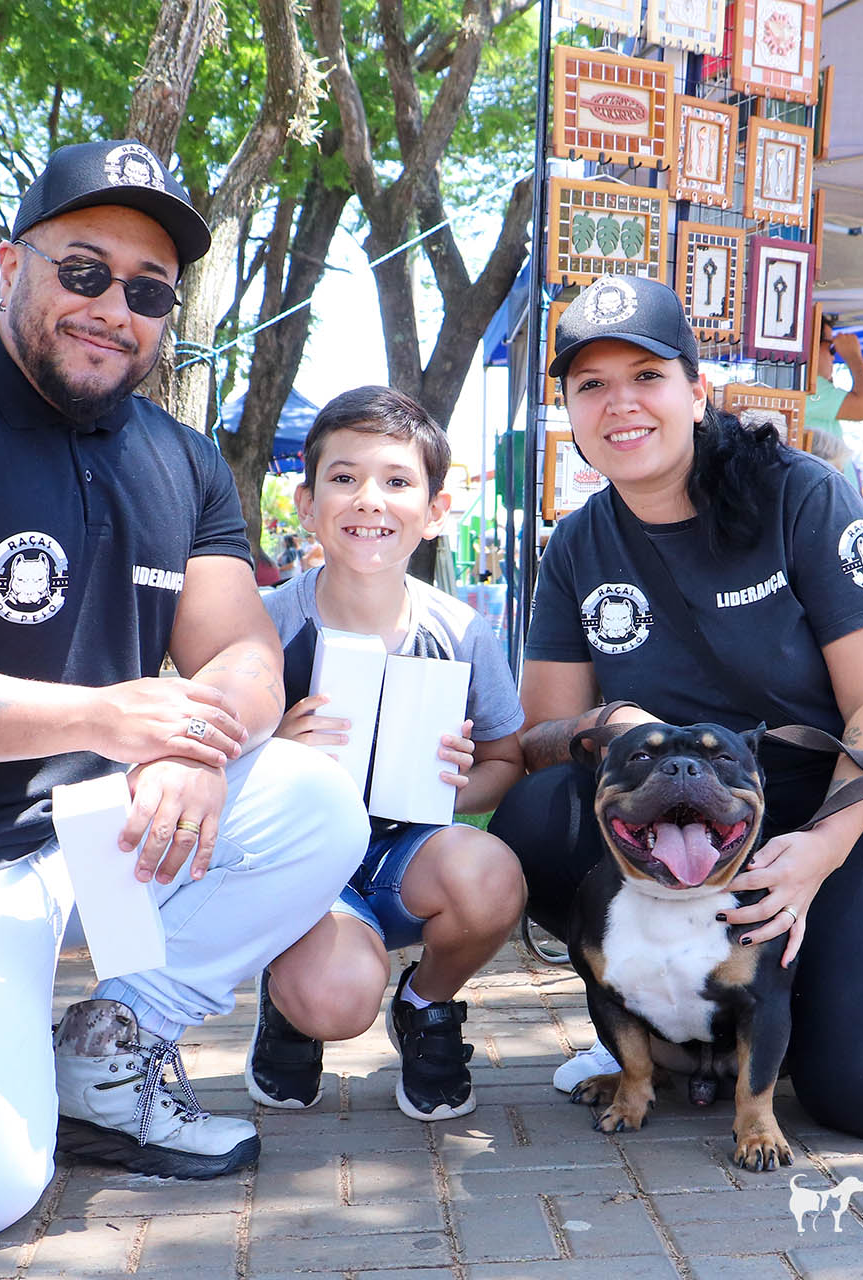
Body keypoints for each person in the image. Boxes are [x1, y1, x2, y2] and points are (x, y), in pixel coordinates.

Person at [0, 139, 366, 1242]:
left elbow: (244, 652)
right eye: (84, 271)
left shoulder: (182, 458)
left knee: (315, 804)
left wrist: (191, 745)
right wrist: (106, 716)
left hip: (88, 830)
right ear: (10, 266)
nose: (113, 308)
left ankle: (104, 1063)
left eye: (147, 290)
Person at [488, 274, 863, 1143]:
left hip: (844, 809)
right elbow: (539, 739)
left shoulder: (801, 494)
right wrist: (607, 725)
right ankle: (647, 1002)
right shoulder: (579, 542)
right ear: (570, 411)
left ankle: (842, 981)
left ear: (696, 389)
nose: (620, 404)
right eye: (591, 385)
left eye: (647, 376)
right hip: (677, 813)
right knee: (534, 816)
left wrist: (819, 853)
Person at [245, 387, 526, 1122]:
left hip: (406, 858)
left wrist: (456, 784)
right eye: (344, 477)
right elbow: (215, 758)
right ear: (307, 504)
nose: (369, 499)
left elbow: (507, 761)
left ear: (435, 512)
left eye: (398, 481)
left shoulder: (461, 632)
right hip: (303, 865)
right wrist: (275, 751)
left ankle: (427, 1003)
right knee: (335, 999)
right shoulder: (262, 624)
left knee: (490, 872)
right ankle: (291, 1003)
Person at [805, 316, 863, 437]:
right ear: (810, 344)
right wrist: (853, 356)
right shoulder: (805, 386)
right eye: (831, 348)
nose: (833, 357)